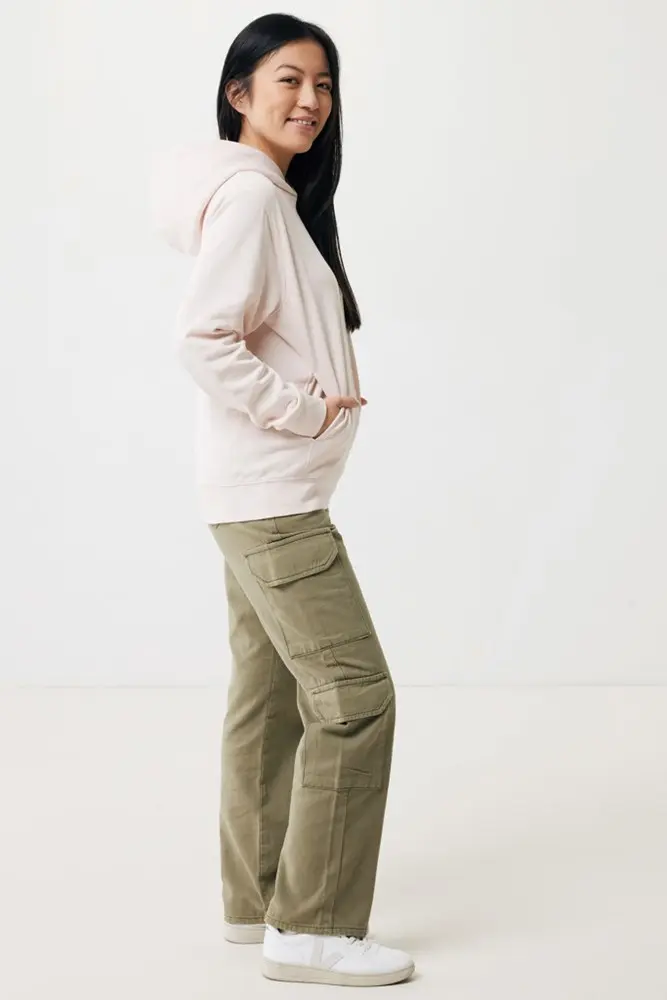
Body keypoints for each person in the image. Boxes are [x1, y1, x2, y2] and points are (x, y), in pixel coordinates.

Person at [151, 12, 414, 988]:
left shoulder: (266, 197)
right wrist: (302, 412)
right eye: (289, 80)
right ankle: (312, 926)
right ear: (239, 94)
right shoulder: (253, 200)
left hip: (251, 495)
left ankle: (255, 898)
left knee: (267, 698)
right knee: (355, 699)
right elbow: (202, 339)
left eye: (324, 84)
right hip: (272, 499)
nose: (310, 100)